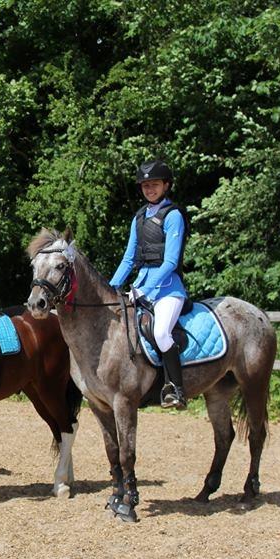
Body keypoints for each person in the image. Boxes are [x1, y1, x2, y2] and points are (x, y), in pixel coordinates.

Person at [109, 159, 188, 409]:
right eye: (145, 186)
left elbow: (171, 262)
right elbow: (129, 258)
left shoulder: (173, 216)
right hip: (140, 286)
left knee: (161, 332)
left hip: (167, 289)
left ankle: (176, 388)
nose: (149, 189)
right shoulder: (139, 217)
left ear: (166, 185)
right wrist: (111, 287)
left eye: (154, 185)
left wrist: (145, 289)